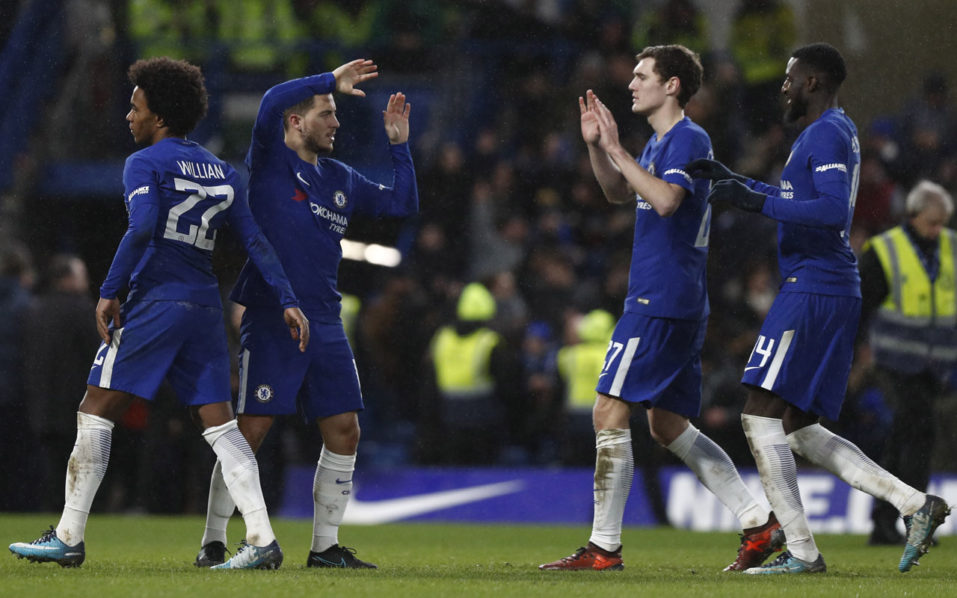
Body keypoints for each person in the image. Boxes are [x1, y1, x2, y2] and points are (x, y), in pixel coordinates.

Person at [8, 57, 309, 570]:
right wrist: (287, 298)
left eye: (136, 106)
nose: (129, 116)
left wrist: (109, 290)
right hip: (204, 306)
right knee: (221, 426)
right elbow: (256, 242)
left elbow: (144, 226)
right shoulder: (224, 172)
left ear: (161, 115)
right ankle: (261, 537)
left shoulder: (143, 163)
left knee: (95, 407)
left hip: (157, 300)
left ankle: (68, 535)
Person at [688, 42, 950, 574]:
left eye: (790, 78)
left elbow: (830, 211)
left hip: (814, 286)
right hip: (828, 287)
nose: (783, 87)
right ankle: (914, 504)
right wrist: (738, 182)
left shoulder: (827, 132)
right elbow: (801, 198)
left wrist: (755, 200)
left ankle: (803, 552)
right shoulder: (830, 131)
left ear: (813, 82)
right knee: (798, 427)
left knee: (757, 414)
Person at [539, 44, 783, 573]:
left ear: (672, 85)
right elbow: (618, 193)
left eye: (641, 75)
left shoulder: (688, 138)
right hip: (674, 299)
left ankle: (604, 548)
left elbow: (668, 201)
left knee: (608, 410)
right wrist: (598, 148)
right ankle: (759, 522)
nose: (631, 83)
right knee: (667, 425)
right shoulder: (657, 143)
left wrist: (616, 147)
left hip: (660, 299)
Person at [195, 58, 418, 569]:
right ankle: (212, 540)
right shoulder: (270, 161)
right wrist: (328, 80)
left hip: (325, 320)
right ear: (296, 122)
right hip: (272, 315)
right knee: (250, 433)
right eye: (326, 113)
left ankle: (325, 548)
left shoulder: (339, 177)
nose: (336, 122)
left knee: (345, 429)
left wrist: (399, 146)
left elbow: (400, 205)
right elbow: (271, 99)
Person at [858, 180, 957, 545]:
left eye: (942, 223)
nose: (937, 230)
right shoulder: (884, 250)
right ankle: (915, 518)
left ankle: (884, 522)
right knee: (919, 431)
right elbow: (863, 304)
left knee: (903, 437)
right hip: (894, 361)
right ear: (912, 215)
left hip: (936, 365)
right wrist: (858, 351)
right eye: (932, 222)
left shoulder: (951, 246)